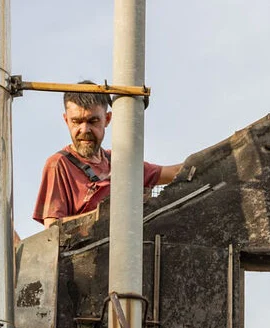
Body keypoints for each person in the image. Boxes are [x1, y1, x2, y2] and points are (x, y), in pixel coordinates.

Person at [33, 80, 183, 227]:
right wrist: (104, 215)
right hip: (88, 251)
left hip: (131, 249)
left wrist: (205, 164)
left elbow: (176, 172)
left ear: (107, 119)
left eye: (93, 121)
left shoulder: (119, 162)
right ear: (66, 120)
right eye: (76, 122)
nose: (84, 130)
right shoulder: (60, 164)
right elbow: (53, 229)